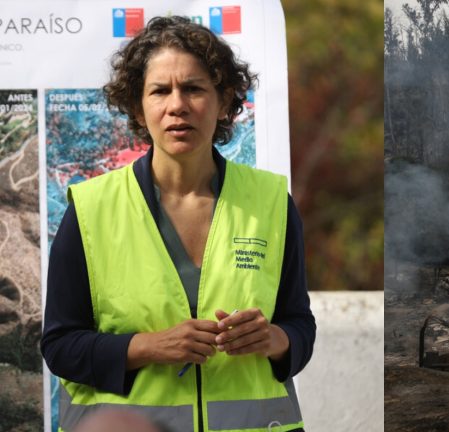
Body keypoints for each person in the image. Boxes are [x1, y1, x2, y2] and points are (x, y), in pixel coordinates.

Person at [41, 16, 315, 432]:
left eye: (193, 88)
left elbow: (300, 325)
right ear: (138, 106)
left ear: (224, 101)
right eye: (159, 91)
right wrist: (148, 347)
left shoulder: (272, 203)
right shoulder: (92, 208)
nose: (177, 105)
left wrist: (276, 340)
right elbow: (60, 346)